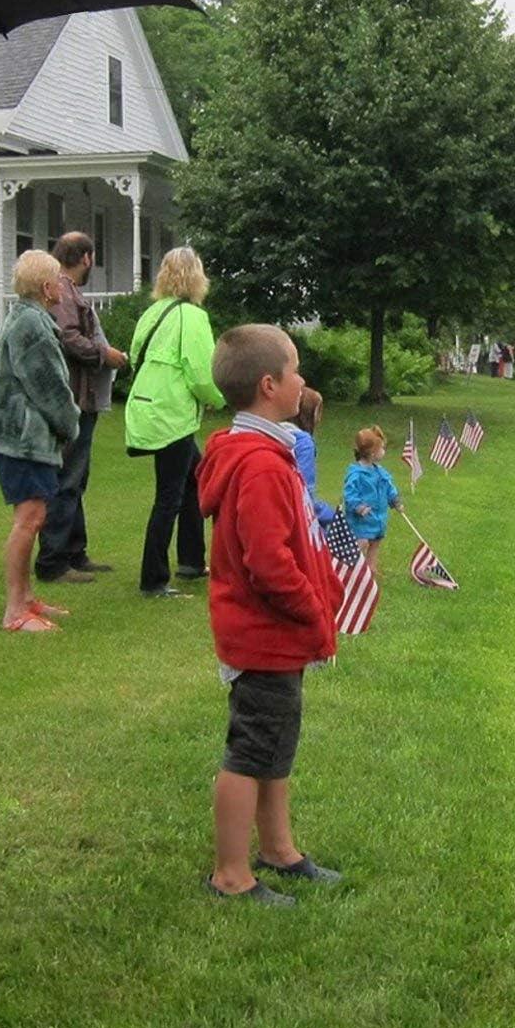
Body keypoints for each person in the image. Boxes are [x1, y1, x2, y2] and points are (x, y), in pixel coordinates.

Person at [196, 324, 343, 905]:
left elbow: (298, 541)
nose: (303, 380)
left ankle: (278, 849)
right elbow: (268, 563)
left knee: (276, 746)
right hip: (264, 636)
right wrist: (314, 615)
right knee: (250, 752)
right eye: (296, 369)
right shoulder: (258, 465)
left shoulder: (267, 453)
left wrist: (325, 588)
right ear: (268, 384)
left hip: (275, 636)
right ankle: (230, 874)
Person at [0, 249, 81, 631]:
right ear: (46, 286)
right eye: (59, 279)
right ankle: (15, 611)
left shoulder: (30, 319)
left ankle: (26, 598)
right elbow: (49, 387)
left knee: (33, 517)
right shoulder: (32, 326)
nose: (64, 287)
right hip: (17, 437)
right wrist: (71, 425)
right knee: (29, 518)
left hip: (18, 435)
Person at [124, 246, 225, 598]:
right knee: (168, 495)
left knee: (193, 480)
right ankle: (153, 579)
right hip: (173, 415)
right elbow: (201, 371)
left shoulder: (152, 312)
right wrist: (218, 399)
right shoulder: (193, 317)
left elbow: (135, 354)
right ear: (197, 277)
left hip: (151, 409)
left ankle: (191, 561)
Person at [36, 231, 127, 584]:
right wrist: (106, 355)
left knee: (76, 477)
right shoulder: (62, 291)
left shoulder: (68, 291)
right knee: (67, 478)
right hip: (72, 398)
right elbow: (68, 337)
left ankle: (75, 551)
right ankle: (53, 561)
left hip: (82, 397)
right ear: (86, 257)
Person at [343, 427, 401, 575]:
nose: (383, 451)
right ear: (372, 452)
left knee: (375, 543)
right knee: (361, 542)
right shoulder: (356, 474)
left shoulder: (380, 472)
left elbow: (389, 488)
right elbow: (349, 493)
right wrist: (358, 507)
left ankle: (370, 569)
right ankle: (348, 568)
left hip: (378, 518)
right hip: (362, 519)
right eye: (382, 448)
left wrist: (395, 500)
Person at [291, 386, 336, 528]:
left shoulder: (278, 433)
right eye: (318, 411)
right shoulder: (304, 442)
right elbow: (304, 488)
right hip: (299, 515)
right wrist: (329, 514)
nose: (319, 418)